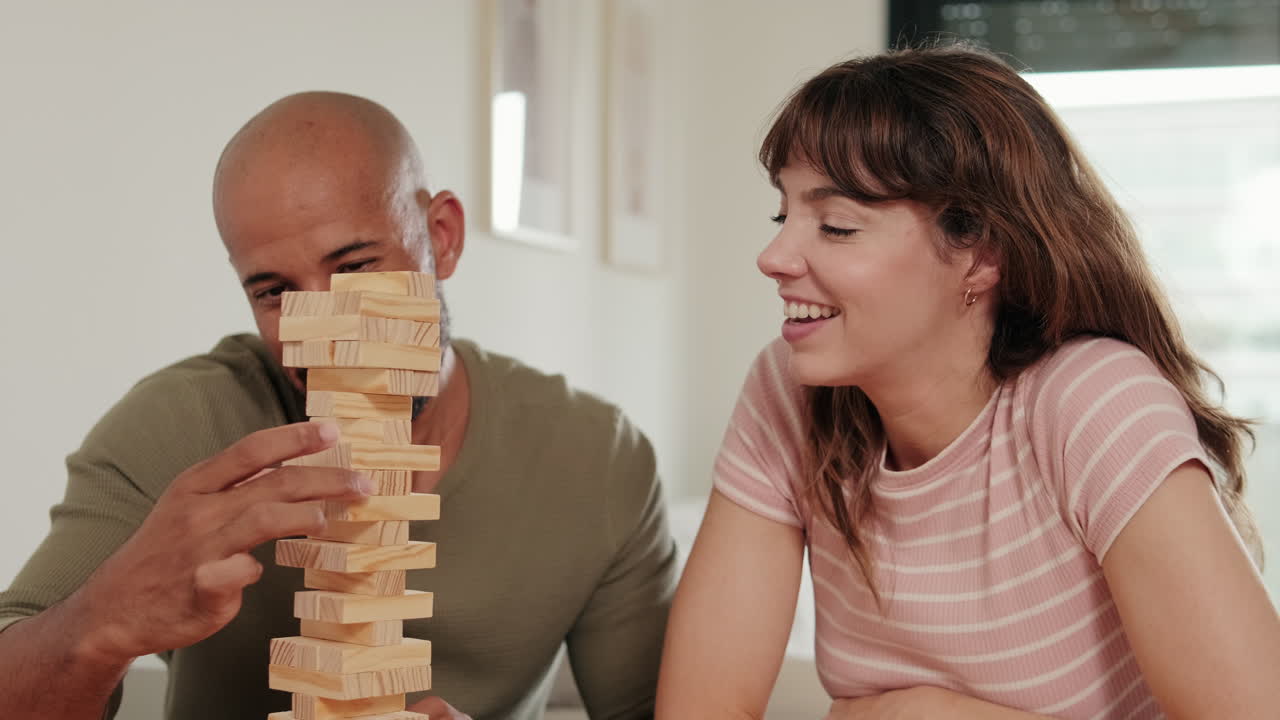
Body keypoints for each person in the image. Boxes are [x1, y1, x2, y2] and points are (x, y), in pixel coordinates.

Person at [0, 92, 678, 720]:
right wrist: (101, 623)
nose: (323, 324)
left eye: (354, 268)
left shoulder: (599, 460)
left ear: (441, 237)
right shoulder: (177, 428)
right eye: (274, 292)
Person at [656, 44, 1280, 719]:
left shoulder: (1095, 402)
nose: (773, 257)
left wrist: (927, 715)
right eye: (785, 215)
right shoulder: (788, 392)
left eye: (835, 226)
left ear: (980, 254)